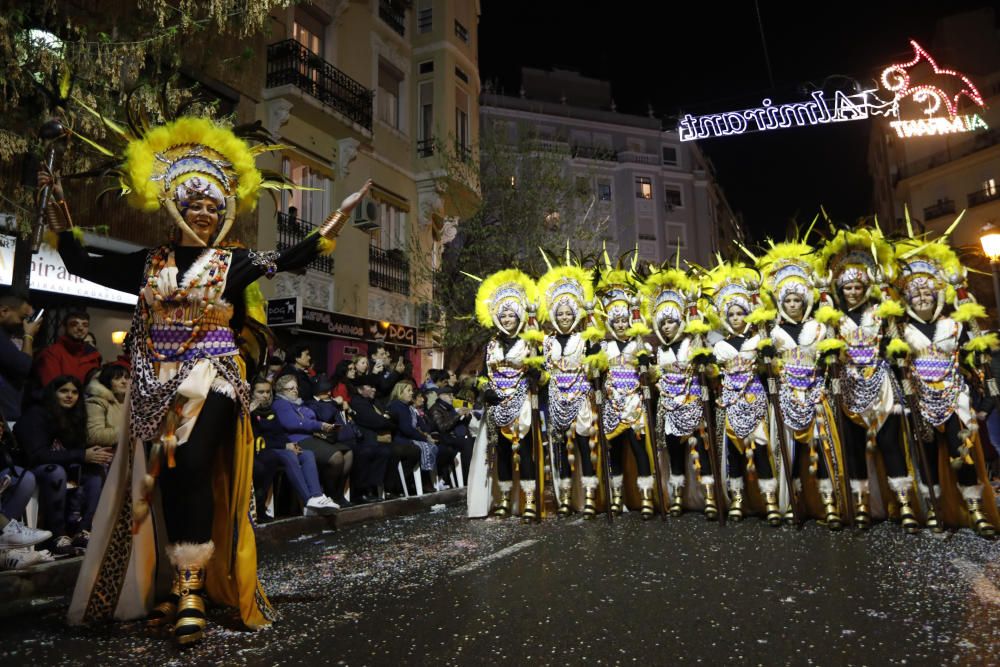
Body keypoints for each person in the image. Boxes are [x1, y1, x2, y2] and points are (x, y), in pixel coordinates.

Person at [42, 114, 371, 644]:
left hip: (215, 374)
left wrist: (337, 218)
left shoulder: (232, 262)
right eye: (194, 204)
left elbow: (288, 259)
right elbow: (80, 261)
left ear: (223, 214)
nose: (203, 213)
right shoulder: (150, 263)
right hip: (155, 381)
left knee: (193, 462)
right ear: (175, 208)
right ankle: (171, 584)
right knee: (165, 476)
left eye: (213, 207)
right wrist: (57, 198)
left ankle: (193, 586)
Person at [892, 234, 999, 537]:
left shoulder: (954, 325)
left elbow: (973, 357)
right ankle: (934, 509)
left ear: (938, 295)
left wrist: (978, 346)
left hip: (954, 398)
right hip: (919, 399)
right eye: (915, 294)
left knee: (960, 452)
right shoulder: (900, 329)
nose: (922, 297)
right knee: (925, 455)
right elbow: (894, 366)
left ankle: (975, 511)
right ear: (907, 299)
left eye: (927, 292)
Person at [815, 227, 913, 531]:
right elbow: (823, 351)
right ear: (840, 291)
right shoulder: (833, 318)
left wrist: (897, 354)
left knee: (889, 443)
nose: (853, 293)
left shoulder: (880, 313)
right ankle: (860, 505)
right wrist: (829, 357)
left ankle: (904, 503)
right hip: (848, 388)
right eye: (847, 289)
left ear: (866, 287)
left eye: (858, 287)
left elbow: (896, 343)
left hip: (882, 385)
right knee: (853, 447)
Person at [757, 242, 849, 529]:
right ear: (781, 304)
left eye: (797, 300)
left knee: (821, 450)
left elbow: (833, 358)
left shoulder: (819, 328)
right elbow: (764, 369)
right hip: (785, 398)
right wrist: (766, 360)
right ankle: (793, 502)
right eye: (787, 301)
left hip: (815, 396)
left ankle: (829, 504)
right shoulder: (772, 333)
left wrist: (833, 353)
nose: (793, 305)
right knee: (790, 455)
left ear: (806, 301)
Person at [703, 261, 779, 524]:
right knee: (733, 451)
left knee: (760, 448)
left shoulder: (759, 339)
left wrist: (768, 358)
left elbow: (772, 368)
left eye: (740, 313)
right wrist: (707, 367)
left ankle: (769, 500)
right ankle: (736, 499)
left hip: (755, 399)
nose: (736, 318)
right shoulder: (720, 345)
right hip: (729, 402)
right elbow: (713, 374)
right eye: (732, 314)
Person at [642, 266, 715, 519]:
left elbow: (710, 370)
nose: (666, 327)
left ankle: (709, 498)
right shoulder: (659, 351)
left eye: (671, 321)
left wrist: (703, 354)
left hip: (693, 405)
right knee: (673, 454)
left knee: (701, 451)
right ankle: (677, 497)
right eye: (662, 323)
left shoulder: (691, 343)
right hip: (669, 409)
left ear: (681, 321)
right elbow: (654, 378)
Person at [466, 269, 539, 520]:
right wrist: (485, 390)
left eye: (511, 314)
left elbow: (540, 369)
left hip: (522, 404)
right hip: (496, 404)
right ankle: (505, 500)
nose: (507, 318)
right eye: (503, 314)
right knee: (502, 453)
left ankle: (529, 501)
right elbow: (483, 375)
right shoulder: (492, 344)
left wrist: (535, 376)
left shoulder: (529, 341)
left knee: (525, 450)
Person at [15, 376, 109, 555]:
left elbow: (74, 450)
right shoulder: (36, 413)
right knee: (55, 472)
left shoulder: (75, 415)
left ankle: (83, 531)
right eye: (64, 391)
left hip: (63, 466)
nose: (70, 396)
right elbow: (37, 455)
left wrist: (91, 455)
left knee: (96, 471)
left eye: (74, 392)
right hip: (33, 469)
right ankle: (57, 535)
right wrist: (82, 455)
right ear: (53, 393)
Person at [536, 259, 600, 517]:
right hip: (555, 400)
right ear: (554, 314)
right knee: (560, 450)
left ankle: (589, 497)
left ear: (576, 314)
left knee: (585, 449)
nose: (564, 317)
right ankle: (563, 498)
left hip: (581, 400)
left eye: (568, 313)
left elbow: (596, 366)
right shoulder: (547, 341)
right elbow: (542, 371)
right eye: (560, 313)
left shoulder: (584, 339)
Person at [594, 264, 657, 517]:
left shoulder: (639, 345)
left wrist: (647, 367)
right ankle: (617, 496)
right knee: (615, 452)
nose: (620, 325)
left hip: (634, 405)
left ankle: (646, 497)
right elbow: (594, 374)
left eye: (624, 320)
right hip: (611, 407)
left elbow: (653, 376)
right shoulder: (604, 348)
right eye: (616, 321)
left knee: (640, 451)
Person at [249, 378, 338, 517]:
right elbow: (257, 438)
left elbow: (279, 433)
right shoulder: (250, 412)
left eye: (267, 392)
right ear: (252, 393)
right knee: (289, 455)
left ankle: (316, 496)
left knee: (306, 453)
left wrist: (290, 444)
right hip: (263, 450)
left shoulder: (270, 410)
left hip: (278, 446)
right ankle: (307, 501)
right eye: (261, 392)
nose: (265, 395)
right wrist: (285, 445)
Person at [272, 374, 351, 507]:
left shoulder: (298, 403)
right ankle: (330, 494)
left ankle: (337, 494)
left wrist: (306, 420)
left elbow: (310, 415)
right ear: (281, 391)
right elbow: (293, 423)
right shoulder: (280, 404)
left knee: (348, 453)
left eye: (296, 388)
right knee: (336, 457)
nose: (295, 391)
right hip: (298, 440)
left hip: (311, 437)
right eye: (290, 388)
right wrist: (317, 424)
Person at [352, 373, 420, 497]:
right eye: (370, 387)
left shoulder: (375, 401)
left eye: (374, 387)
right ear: (359, 389)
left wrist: (386, 419)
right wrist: (386, 419)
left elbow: (393, 420)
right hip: (369, 439)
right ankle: (382, 489)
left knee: (413, 451)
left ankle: (396, 486)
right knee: (391, 452)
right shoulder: (358, 402)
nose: (374, 389)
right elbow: (375, 421)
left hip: (385, 439)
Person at [0, 288, 42, 422]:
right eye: (22, 318)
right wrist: (28, 335)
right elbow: (23, 366)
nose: (24, 324)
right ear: (4, 311)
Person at [386, 381, 440, 486]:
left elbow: (424, 427)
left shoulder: (408, 407)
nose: (411, 393)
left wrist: (426, 435)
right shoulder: (397, 406)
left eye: (411, 390)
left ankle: (421, 482)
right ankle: (404, 484)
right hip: (400, 440)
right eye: (408, 391)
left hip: (409, 438)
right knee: (420, 450)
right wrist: (425, 439)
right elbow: (406, 429)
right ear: (399, 392)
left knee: (435, 447)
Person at [34, 310, 102, 389]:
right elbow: (52, 388)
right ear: (64, 327)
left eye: (85, 325)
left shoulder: (93, 355)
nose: (80, 328)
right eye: (74, 324)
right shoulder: (51, 353)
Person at [427, 384, 475, 482]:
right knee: (467, 443)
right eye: (450, 395)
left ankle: (472, 476)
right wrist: (457, 415)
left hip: (454, 436)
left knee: (473, 441)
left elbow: (458, 424)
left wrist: (466, 417)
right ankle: (467, 479)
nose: (452, 398)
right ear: (441, 396)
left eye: (453, 395)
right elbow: (443, 427)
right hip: (444, 438)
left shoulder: (449, 408)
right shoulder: (436, 409)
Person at [85, 363, 130, 450]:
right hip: (108, 456)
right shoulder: (97, 402)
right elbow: (93, 436)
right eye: (117, 378)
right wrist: (129, 431)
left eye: (127, 377)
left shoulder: (132, 402)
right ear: (107, 382)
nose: (124, 381)